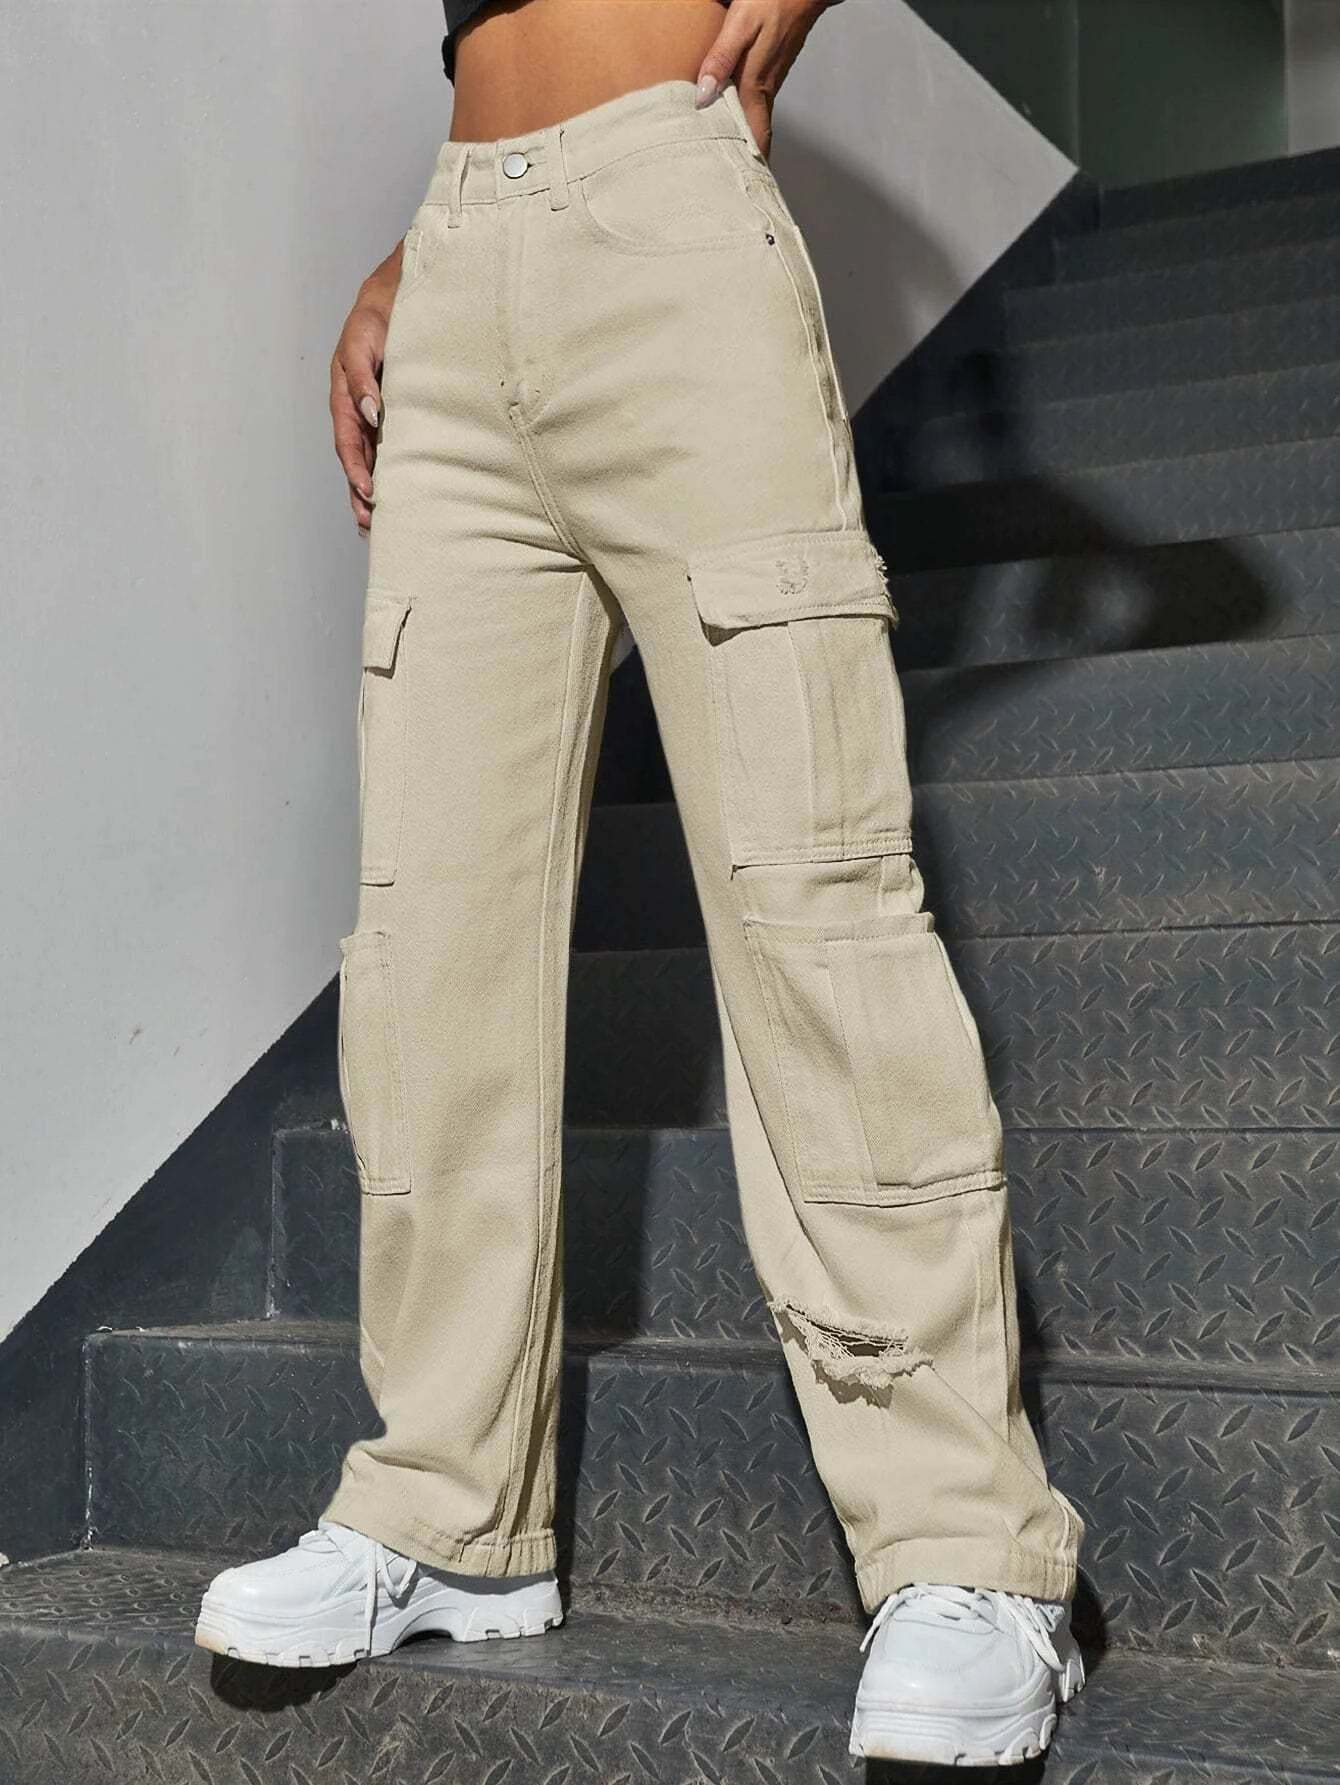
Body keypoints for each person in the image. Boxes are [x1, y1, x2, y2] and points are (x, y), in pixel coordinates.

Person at [193, 0, 1086, 1765]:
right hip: (463, 256)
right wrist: (430, 250)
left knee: (810, 888)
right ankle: (450, 1507)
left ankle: (964, 1544)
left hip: (672, 225)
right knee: (430, 939)